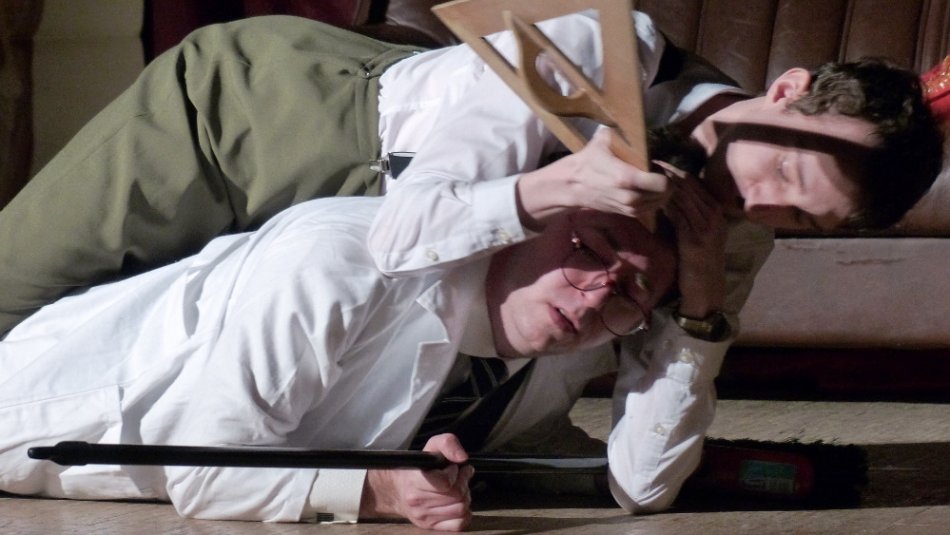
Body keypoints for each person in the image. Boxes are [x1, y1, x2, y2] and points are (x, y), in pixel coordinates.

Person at [0, 7, 942, 523]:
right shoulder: (605, 53)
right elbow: (395, 235)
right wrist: (551, 186)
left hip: (377, 258)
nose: (761, 205)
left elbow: (648, 450)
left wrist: (697, 297)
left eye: (796, 215)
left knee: (218, 384)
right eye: (785, 172)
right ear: (786, 90)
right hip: (262, 127)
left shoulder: (733, 230)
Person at [1, 196, 679, 530]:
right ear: (536, 215)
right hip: (35, 417)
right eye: (591, 249)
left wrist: (702, 319)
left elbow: (639, 487)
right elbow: (204, 470)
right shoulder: (344, 260)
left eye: (632, 292)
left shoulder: (567, 342)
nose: (598, 294)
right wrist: (380, 490)